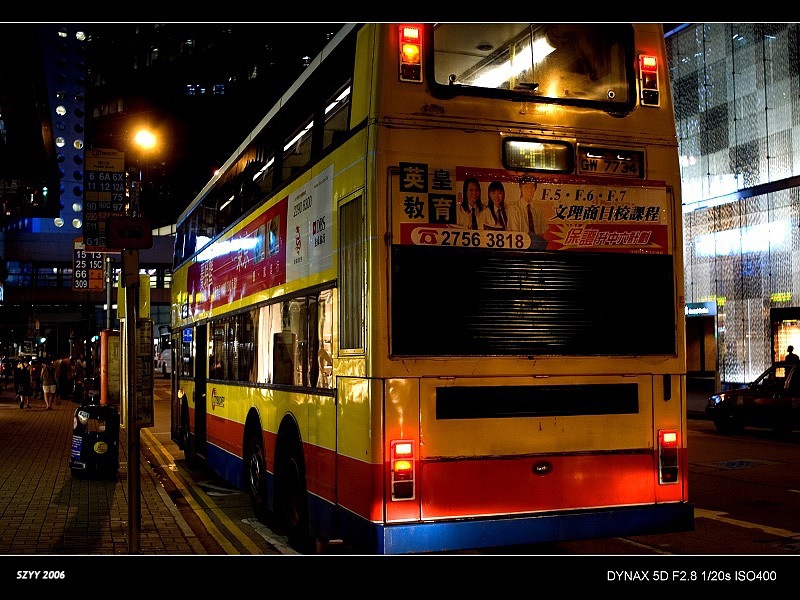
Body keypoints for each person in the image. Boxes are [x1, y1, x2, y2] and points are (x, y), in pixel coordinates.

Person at [507, 176, 548, 249]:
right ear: (520, 188)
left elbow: (542, 233)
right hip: (521, 249)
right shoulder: (514, 209)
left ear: (535, 189)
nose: (529, 190)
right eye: (526, 187)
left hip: (537, 249)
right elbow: (514, 234)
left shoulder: (537, 209)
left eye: (532, 187)